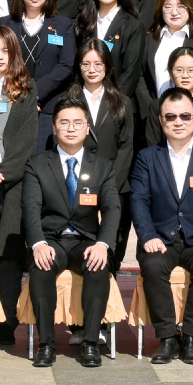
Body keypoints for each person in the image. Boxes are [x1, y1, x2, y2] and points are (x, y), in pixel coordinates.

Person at [130, 88, 193, 364]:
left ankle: (192, 338)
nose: (178, 122)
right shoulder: (147, 157)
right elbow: (139, 200)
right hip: (161, 238)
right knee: (152, 266)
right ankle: (167, 338)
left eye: (185, 116)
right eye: (171, 116)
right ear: (161, 120)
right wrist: (148, 236)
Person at [24, 98, 121, 368]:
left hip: (86, 241)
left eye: (77, 123)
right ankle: (46, 344)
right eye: (64, 122)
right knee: (41, 268)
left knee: (98, 266)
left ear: (87, 128)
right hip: (51, 240)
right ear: (54, 128)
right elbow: (30, 208)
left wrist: (103, 244)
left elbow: (112, 208)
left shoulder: (102, 166)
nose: (71, 128)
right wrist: (38, 244)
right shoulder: (37, 164)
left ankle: (90, 342)